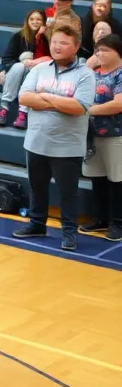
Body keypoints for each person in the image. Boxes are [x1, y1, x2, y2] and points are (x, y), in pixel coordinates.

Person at [12, 22, 96, 251]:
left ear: (76, 46)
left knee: (68, 193)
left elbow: (79, 107)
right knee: (37, 188)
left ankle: (69, 233)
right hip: (36, 141)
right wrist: (59, 102)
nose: (58, 46)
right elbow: (24, 98)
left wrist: (45, 97)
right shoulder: (39, 69)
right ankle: (37, 224)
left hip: (67, 146)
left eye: (64, 43)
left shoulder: (85, 75)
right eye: (55, 42)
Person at [80, 34, 122, 241]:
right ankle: (101, 218)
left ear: (118, 52)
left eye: (105, 50)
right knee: (97, 178)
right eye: (98, 50)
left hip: (116, 135)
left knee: (117, 180)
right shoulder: (92, 73)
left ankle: (118, 223)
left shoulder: (121, 74)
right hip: (92, 135)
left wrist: (88, 110)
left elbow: (118, 104)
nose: (100, 54)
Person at [0, 10, 49, 129]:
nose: (35, 22)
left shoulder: (47, 39)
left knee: (30, 70)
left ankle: (23, 113)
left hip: (36, 79)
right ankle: (4, 109)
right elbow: (7, 59)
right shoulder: (19, 36)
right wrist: (10, 68)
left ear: (44, 22)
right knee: (20, 66)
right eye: (32, 19)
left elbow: (51, 59)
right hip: (15, 75)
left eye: (38, 19)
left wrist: (33, 62)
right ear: (27, 21)